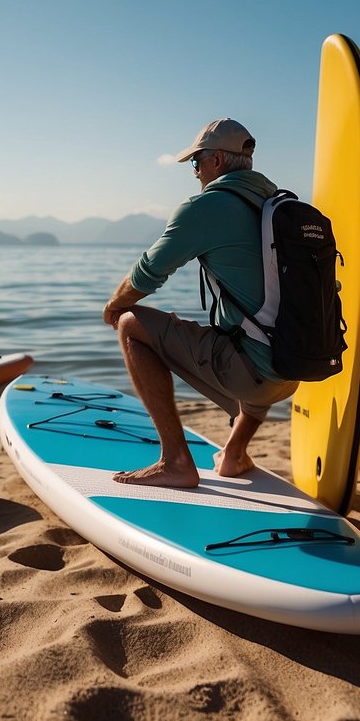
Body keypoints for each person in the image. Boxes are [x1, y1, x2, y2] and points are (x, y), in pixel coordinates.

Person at [102, 118, 299, 488]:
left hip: (254, 375)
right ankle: (235, 452)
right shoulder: (280, 207)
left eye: (196, 163)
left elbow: (146, 275)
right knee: (261, 336)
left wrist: (114, 305)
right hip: (293, 370)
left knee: (130, 323)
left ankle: (175, 461)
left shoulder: (208, 208)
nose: (194, 173)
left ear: (217, 162)